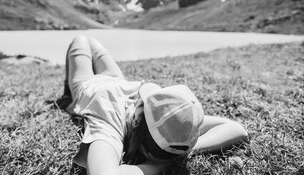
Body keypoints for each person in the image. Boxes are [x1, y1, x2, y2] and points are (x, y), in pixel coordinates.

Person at [56, 35, 248, 175]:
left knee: (81, 39)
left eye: (142, 101)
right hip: (117, 80)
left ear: (137, 118)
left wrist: (156, 167)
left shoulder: (110, 123)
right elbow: (236, 128)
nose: (139, 99)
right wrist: (181, 152)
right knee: (92, 42)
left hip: (88, 84)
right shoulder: (175, 123)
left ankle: (67, 90)